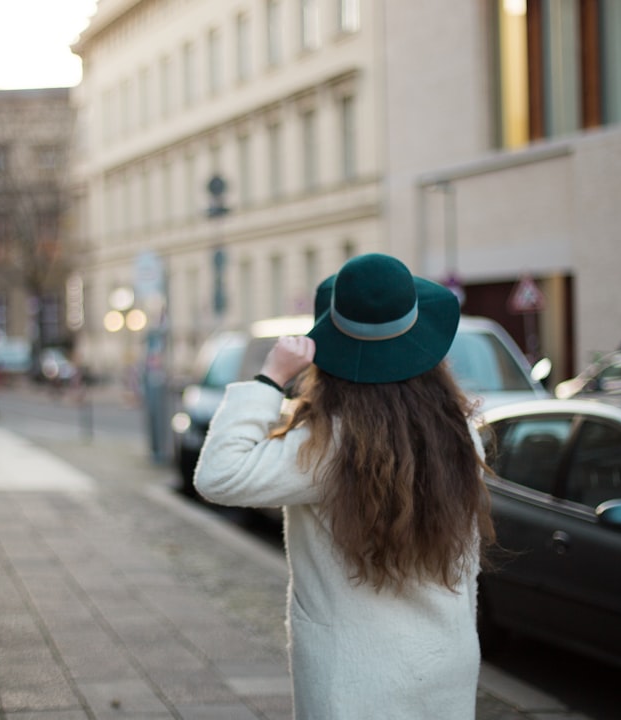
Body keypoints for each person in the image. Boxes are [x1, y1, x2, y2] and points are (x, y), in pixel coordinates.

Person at [195, 253, 494, 719]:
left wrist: (270, 377)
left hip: (352, 684)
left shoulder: (325, 447)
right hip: (444, 667)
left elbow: (218, 474)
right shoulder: (458, 433)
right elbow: (466, 566)